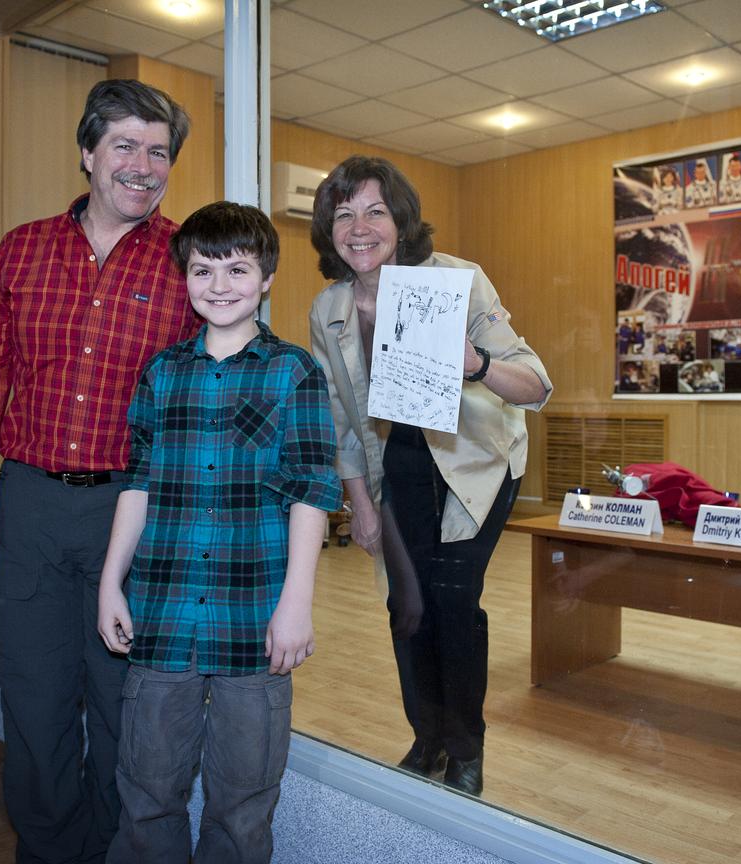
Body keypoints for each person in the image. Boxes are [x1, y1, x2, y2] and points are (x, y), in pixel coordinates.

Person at [0, 79, 198, 863]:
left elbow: (210, 379)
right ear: (87, 152)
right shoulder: (23, 248)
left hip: (137, 517)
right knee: (36, 705)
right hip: (31, 509)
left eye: (159, 152)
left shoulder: (187, 260)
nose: (143, 165)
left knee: (127, 714)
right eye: (124, 145)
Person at [97, 202, 342, 864]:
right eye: (203, 270)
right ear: (185, 277)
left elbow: (313, 490)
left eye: (238, 269)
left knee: (243, 803)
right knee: (147, 792)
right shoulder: (162, 372)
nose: (220, 284)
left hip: (254, 623)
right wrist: (109, 585)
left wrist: (296, 603)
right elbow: (140, 482)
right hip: (163, 617)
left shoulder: (293, 372)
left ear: (266, 278)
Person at [307, 155, 552, 797]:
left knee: (451, 597)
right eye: (344, 214)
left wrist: (474, 362)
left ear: (401, 220)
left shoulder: (458, 281)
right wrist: (358, 504)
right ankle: (427, 737)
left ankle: (464, 749)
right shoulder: (328, 309)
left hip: (477, 463)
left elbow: (535, 385)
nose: (360, 228)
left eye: (375, 211)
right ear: (328, 230)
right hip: (398, 467)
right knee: (406, 606)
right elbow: (339, 421)